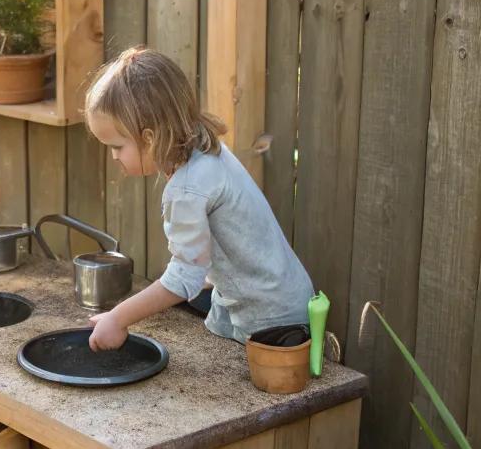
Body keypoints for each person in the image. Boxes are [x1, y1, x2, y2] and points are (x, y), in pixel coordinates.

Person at [85, 48, 313, 352]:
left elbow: (184, 279)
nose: (113, 156)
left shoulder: (188, 187)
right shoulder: (204, 148)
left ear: (150, 138)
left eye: (116, 146)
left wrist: (118, 318)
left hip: (271, 322)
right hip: (258, 300)